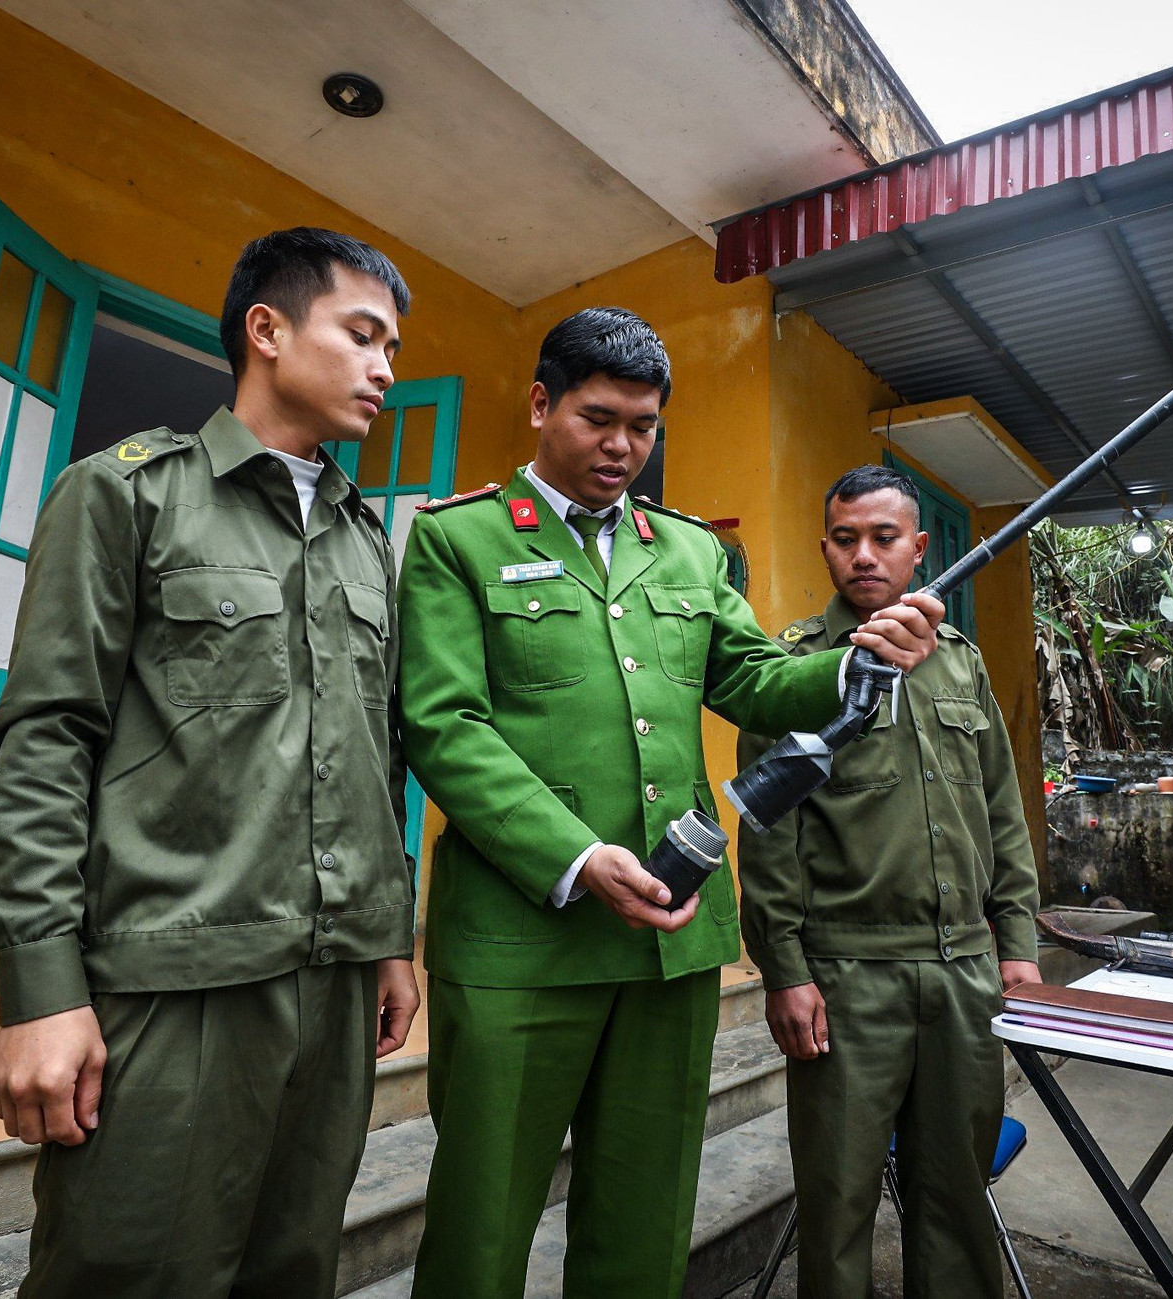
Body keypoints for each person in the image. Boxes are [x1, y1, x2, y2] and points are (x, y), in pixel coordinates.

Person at [397, 308, 943, 1297]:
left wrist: (854, 665)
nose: (622, 447)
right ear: (540, 405)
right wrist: (577, 858)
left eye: (642, 427)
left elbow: (755, 681)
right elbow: (445, 726)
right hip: (519, 946)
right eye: (598, 419)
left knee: (645, 1225)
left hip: (670, 941)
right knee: (481, 1226)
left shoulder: (688, 552)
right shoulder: (457, 539)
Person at [0, 227, 422, 1298]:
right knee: (131, 1272)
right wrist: (40, 989)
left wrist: (387, 936)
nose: (385, 370)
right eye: (363, 335)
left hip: (334, 986)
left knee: (294, 1265)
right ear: (267, 329)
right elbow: (45, 738)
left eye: (392, 348)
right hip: (172, 983)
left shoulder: (366, 540)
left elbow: (376, 753)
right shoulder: (126, 493)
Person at [737, 464, 1043, 1299]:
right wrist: (785, 969)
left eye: (883, 537)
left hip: (962, 971)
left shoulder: (961, 665)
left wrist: (1017, 942)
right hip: (847, 975)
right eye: (846, 539)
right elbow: (768, 833)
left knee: (957, 1198)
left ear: (919, 547)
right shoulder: (797, 666)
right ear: (826, 549)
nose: (864, 555)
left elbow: (1002, 810)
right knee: (837, 1201)